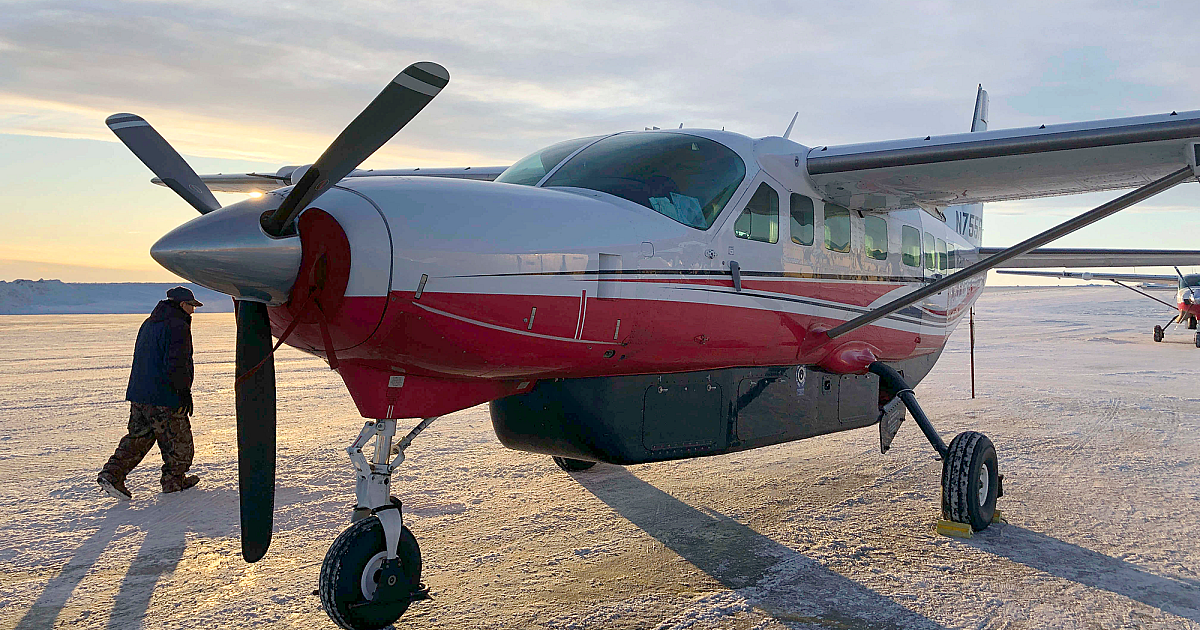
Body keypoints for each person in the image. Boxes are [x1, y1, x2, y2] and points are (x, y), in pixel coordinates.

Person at [97, 286, 203, 500]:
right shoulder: (177, 326)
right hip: (165, 396)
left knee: (140, 436)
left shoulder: (150, 322)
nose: (193, 311)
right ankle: (174, 480)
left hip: (140, 393)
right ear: (182, 305)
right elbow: (177, 363)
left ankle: (112, 473)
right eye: (191, 306)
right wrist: (183, 392)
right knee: (180, 441)